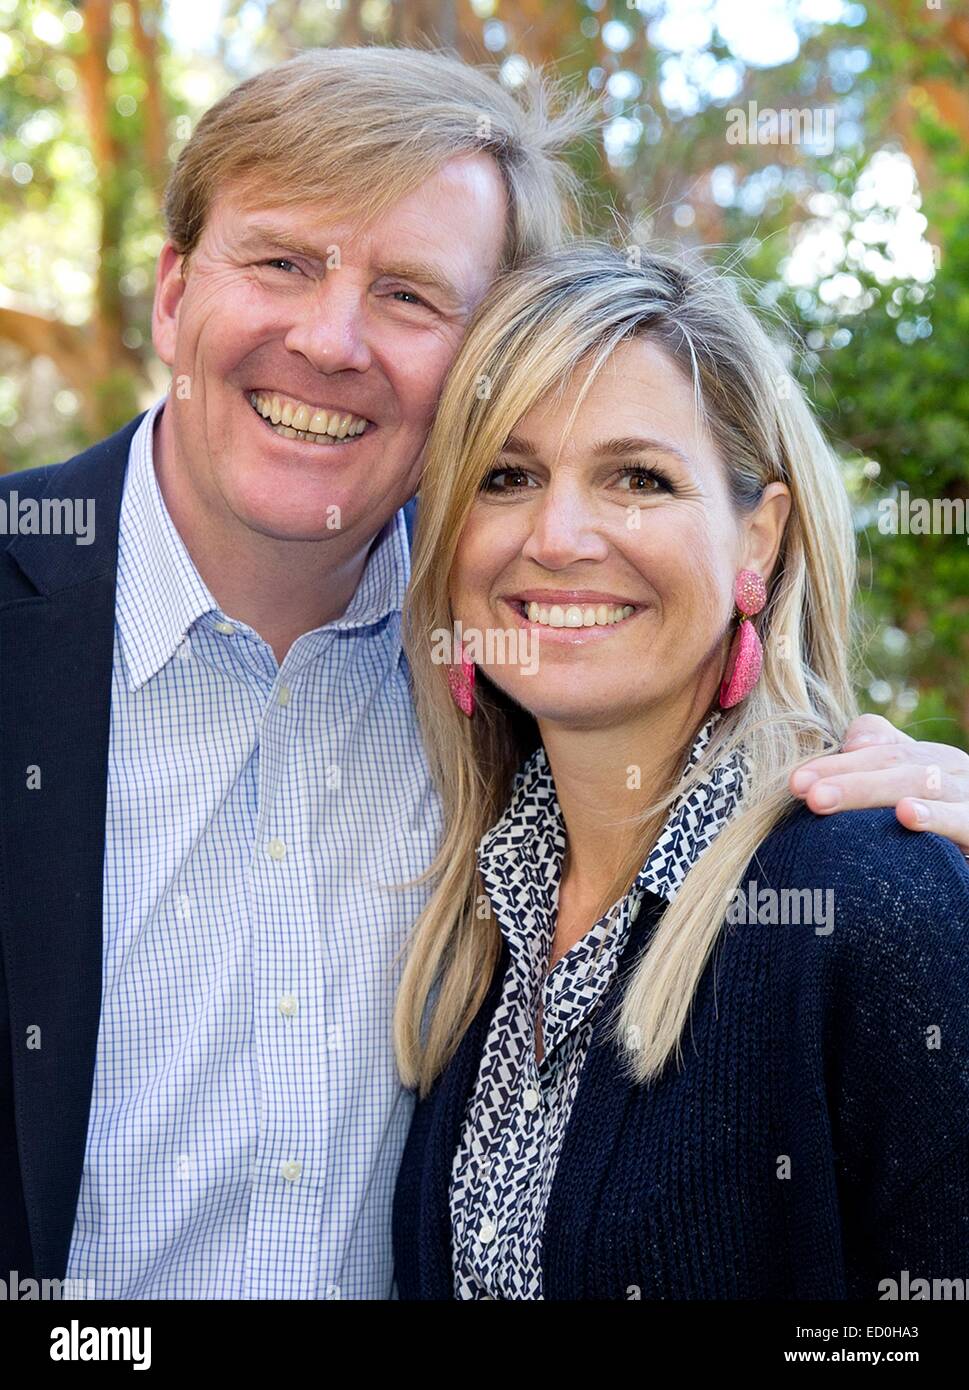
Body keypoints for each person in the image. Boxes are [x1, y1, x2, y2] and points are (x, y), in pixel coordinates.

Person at [0, 48, 966, 1302]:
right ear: (176, 292)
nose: (332, 338)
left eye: (409, 293)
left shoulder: (531, 666)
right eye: (284, 260)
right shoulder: (520, 793)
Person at [391, 243, 969, 1300]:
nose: (559, 537)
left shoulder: (877, 894)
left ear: (761, 536)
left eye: (639, 478)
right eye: (508, 477)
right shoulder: (476, 916)